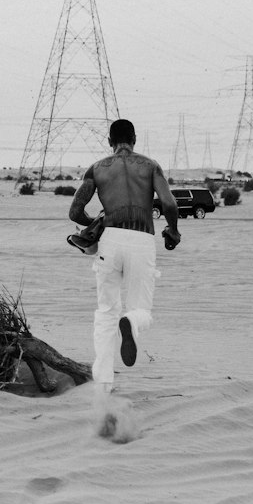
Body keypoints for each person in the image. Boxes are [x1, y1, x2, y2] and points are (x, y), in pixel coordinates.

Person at [68, 119, 180, 390]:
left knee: (106, 312)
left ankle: (104, 385)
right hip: (142, 238)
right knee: (142, 309)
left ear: (109, 141)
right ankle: (130, 322)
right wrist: (173, 231)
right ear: (135, 139)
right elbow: (168, 203)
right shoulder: (150, 166)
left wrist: (96, 221)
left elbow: (74, 212)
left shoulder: (97, 169)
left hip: (110, 240)